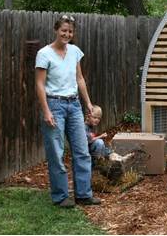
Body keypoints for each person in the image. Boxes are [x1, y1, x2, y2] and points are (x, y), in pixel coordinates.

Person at [35, 14, 100, 208]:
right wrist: (46, 110)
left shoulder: (75, 51)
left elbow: (79, 79)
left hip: (74, 105)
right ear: (57, 29)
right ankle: (61, 196)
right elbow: (39, 84)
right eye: (64, 30)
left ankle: (83, 194)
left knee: (82, 151)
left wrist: (87, 102)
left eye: (70, 31)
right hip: (54, 105)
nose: (67, 34)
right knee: (56, 152)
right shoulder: (44, 53)